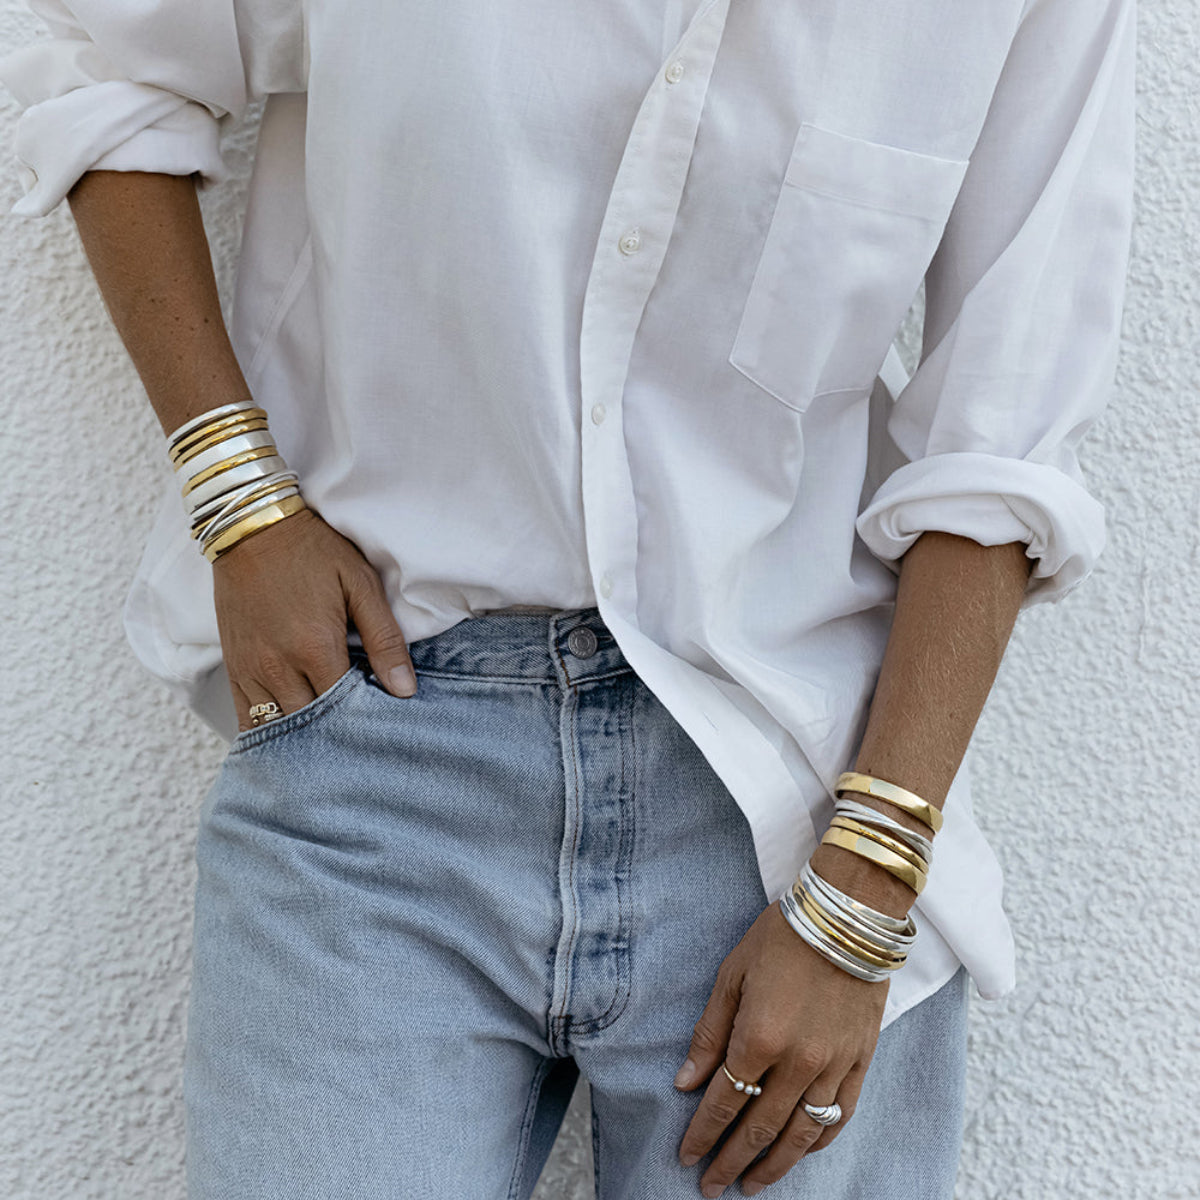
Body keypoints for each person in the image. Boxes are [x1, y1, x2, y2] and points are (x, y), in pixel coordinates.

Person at [0, 1, 1135, 1196]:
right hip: (382, 746)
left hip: (791, 803)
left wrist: (861, 893)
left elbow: (1001, 433)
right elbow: (99, 57)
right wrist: (238, 496)